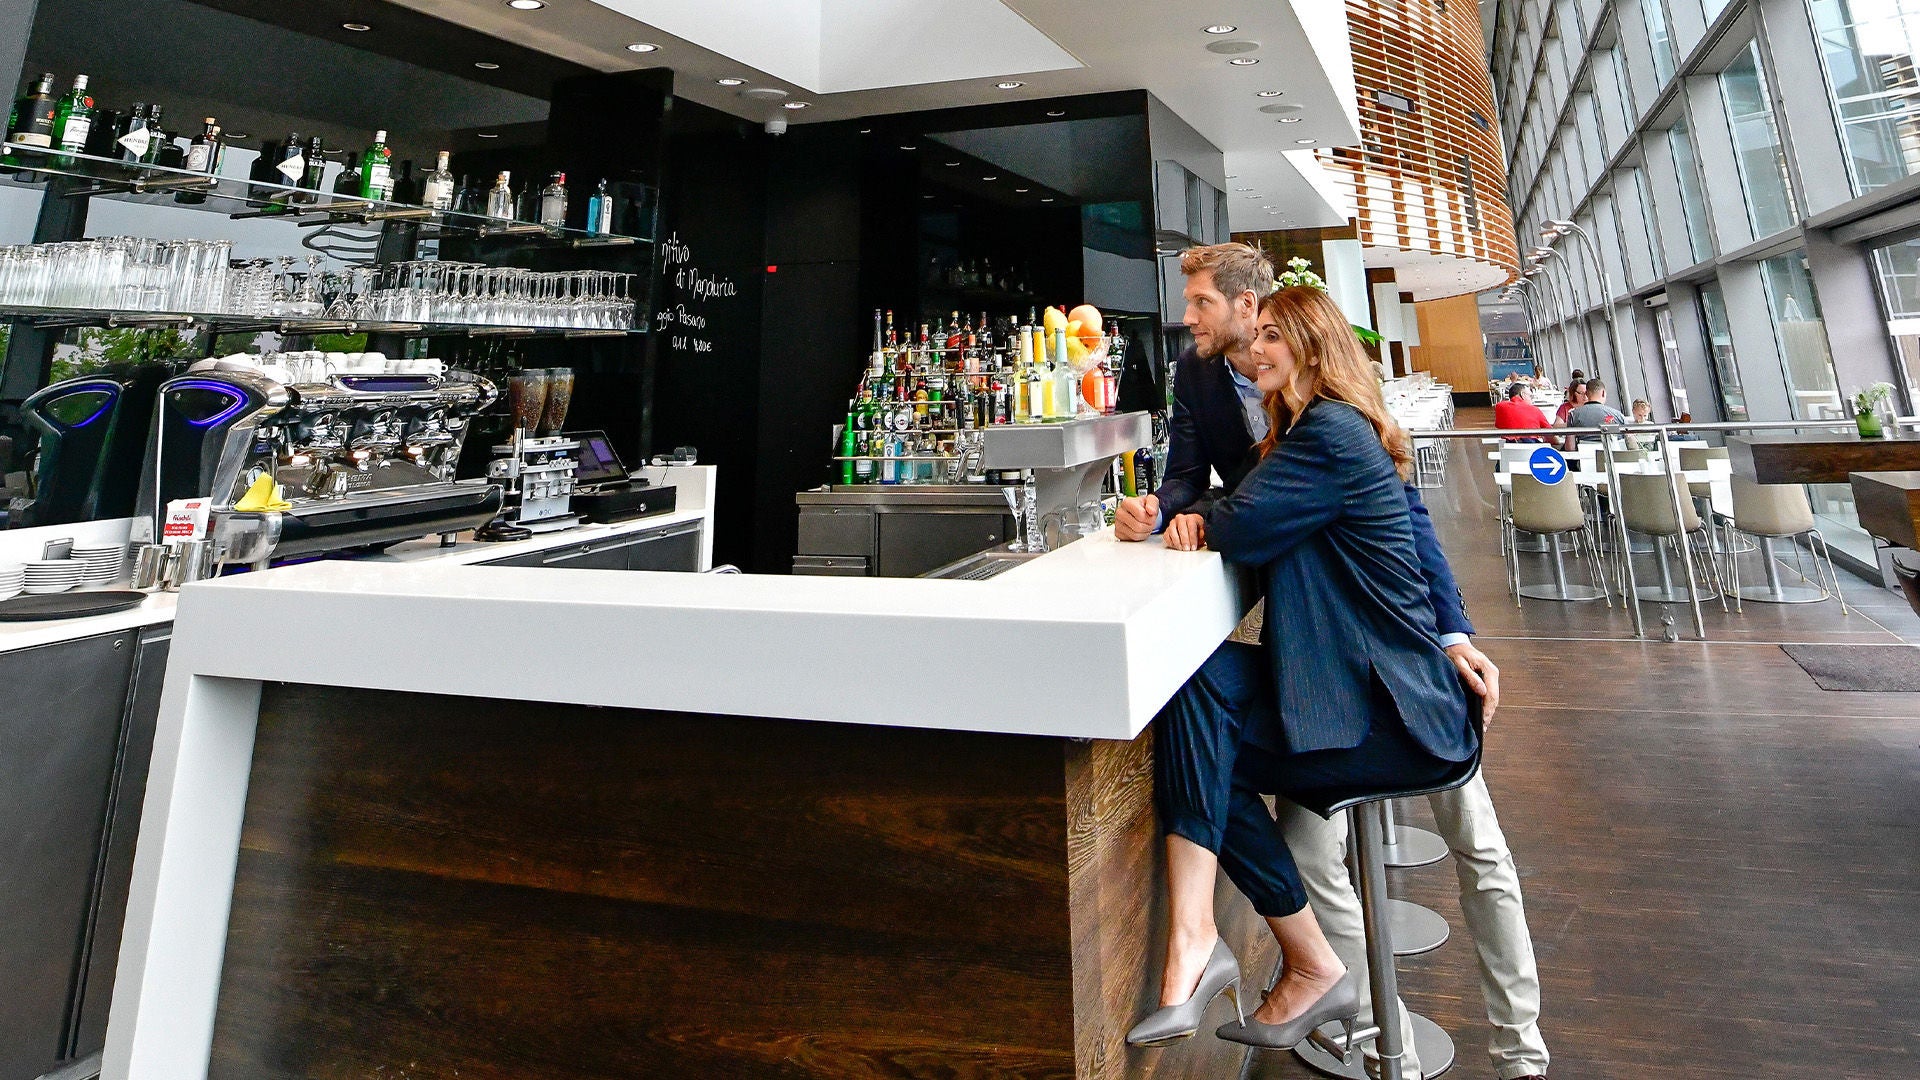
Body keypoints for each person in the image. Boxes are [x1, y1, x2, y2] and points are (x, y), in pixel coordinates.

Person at [1120, 256, 1549, 1079]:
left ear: (1261, 315)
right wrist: (1166, 512)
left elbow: (1387, 515)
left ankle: (1519, 1052)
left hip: (1398, 677)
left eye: (1202, 303)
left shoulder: (1330, 422)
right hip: (1322, 664)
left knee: (1480, 850)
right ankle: (1345, 1015)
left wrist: (1453, 631)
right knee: (1282, 822)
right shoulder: (1226, 388)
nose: (1189, 318)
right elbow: (1200, 484)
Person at [1565, 378, 1629, 447]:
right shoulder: (1618, 415)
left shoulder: (1573, 415)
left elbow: (1570, 447)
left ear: (1586, 394)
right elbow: (1631, 444)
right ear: (1603, 393)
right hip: (1615, 456)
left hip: (1586, 456)